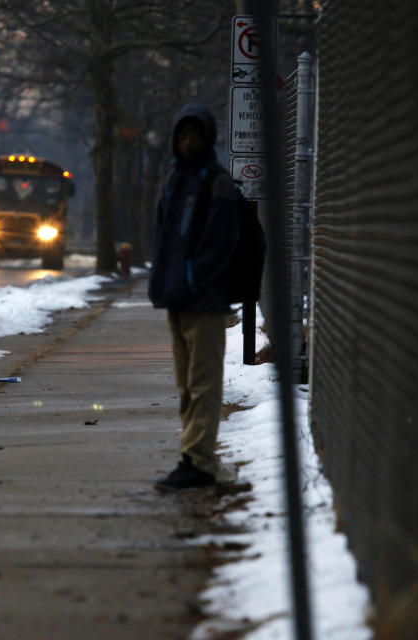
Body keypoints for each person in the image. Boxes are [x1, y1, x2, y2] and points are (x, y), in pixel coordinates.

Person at [148, 103, 239, 491]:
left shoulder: (216, 183)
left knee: (203, 383)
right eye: (182, 135)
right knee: (186, 385)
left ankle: (199, 462)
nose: (187, 142)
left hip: (204, 301)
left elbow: (222, 243)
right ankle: (193, 455)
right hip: (178, 299)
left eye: (194, 135)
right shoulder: (174, 180)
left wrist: (192, 278)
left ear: (207, 138)